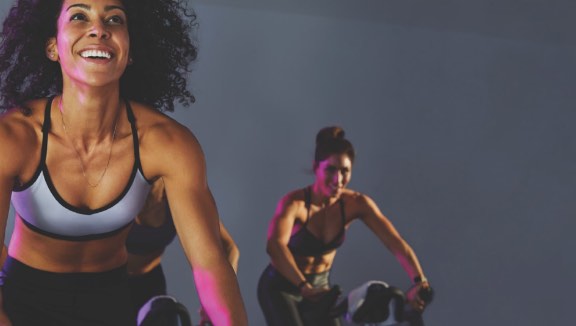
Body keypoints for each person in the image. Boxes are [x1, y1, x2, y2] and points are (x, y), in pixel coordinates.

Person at [0, 0, 248, 325]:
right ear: (52, 47)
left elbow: (210, 264)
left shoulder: (169, 144)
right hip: (22, 299)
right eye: (79, 15)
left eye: (114, 19)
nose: (99, 29)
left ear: (129, 51)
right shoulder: (14, 137)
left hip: (111, 302)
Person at [257, 126, 431, 326]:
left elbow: (395, 243)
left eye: (345, 171)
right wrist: (303, 286)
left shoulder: (356, 204)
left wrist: (420, 282)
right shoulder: (294, 204)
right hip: (282, 288)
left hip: (320, 288)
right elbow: (274, 246)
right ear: (316, 168)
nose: (338, 180)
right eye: (330, 169)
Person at [126, 178, 240, 323]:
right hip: (107, 281)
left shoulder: (181, 192)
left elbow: (229, 249)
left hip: (149, 283)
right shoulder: (121, 180)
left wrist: (215, 303)